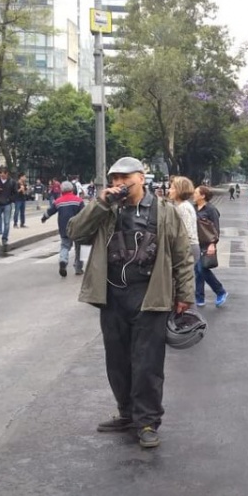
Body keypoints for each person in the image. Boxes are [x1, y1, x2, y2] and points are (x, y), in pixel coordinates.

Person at [67, 156, 194, 449]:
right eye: (114, 180)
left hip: (149, 296)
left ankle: (147, 421)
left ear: (141, 178)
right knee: (117, 360)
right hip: (112, 297)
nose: (119, 184)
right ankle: (127, 413)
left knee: (147, 363)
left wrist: (184, 295)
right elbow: (74, 231)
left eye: (125, 178)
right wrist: (100, 204)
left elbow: (182, 255)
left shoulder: (164, 212)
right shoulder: (106, 210)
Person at [41, 181, 85, 277]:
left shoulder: (58, 201)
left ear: (61, 190)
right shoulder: (78, 201)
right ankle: (78, 268)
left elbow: (50, 211)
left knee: (65, 246)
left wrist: (44, 218)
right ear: (72, 189)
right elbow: (85, 214)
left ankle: (63, 261)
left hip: (64, 228)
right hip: (78, 228)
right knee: (80, 248)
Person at [194, 185, 228, 308]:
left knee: (202, 269)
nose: (194, 195)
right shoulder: (193, 208)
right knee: (197, 271)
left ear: (203, 196)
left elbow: (215, 228)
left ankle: (220, 291)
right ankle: (199, 297)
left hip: (207, 243)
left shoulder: (210, 210)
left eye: (196, 193)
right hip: (195, 243)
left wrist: (212, 244)